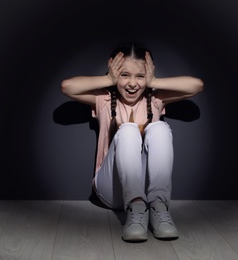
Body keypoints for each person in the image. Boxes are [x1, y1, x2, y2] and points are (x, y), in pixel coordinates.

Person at [60, 42, 203, 242]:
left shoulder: (154, 100)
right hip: (109, 189)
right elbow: (67, 87)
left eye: (140, 76)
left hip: (147, 190)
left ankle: (159, 208)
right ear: (115, 74)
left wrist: (154, 82)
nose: (132, 83)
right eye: (124, 75)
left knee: (160, 128)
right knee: (128, 129)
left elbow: (196, 85)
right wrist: (107, 79)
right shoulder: (104, 100)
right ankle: (136, 207)